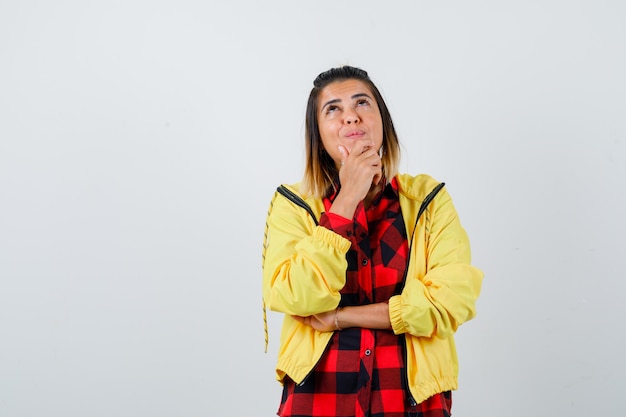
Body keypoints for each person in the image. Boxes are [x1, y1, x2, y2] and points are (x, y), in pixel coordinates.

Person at [262, 65, 483, 417]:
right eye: (333, 109)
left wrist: (342, 317)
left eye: (361, 103)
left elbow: (450, 303)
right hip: (319, 397)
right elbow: (294, 295)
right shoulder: (294, 205)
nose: (350, 117)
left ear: (382, 121)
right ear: (318, 132)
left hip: (410, 400)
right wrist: (346, 198)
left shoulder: (428, 199)